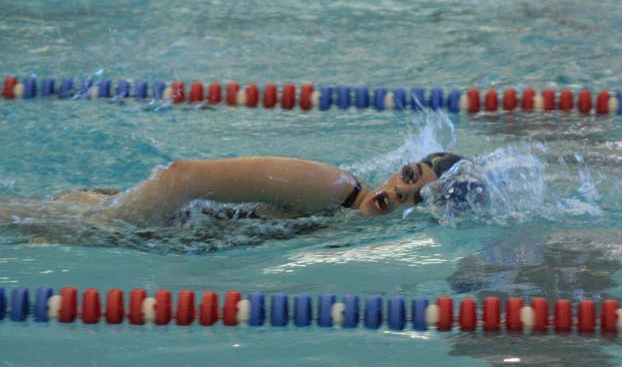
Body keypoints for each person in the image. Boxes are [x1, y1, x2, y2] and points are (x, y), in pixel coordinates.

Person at [2, 152, 468, 226]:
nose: (399, 194)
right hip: (146, 222)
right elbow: (182, 176)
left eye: (416, 198)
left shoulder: (353, 221)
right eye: (408, 178)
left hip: (165, 232)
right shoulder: (333, 186)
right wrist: (106, 222)